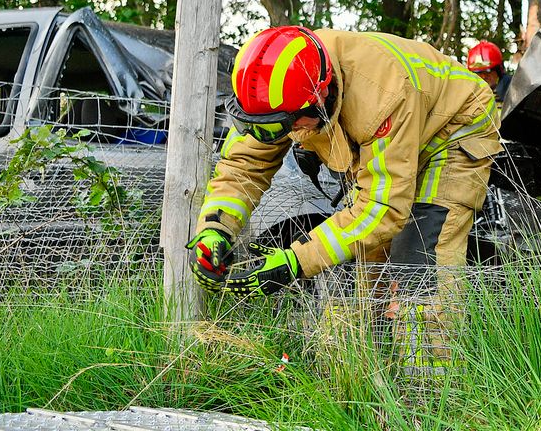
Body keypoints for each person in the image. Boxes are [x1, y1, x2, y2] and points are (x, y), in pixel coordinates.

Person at [186, 26, 501, 298]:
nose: (275, 136)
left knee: (418, 265)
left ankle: (432, 367)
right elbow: (243, 166)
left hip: (454, 127)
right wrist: (215, 230)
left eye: (284, 126)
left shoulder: (382, 98)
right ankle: (370, 364)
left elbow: (382, 210)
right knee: (365, 268)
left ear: (321, 99)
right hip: (400, 121)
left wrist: (295, 262)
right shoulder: (276, 90)